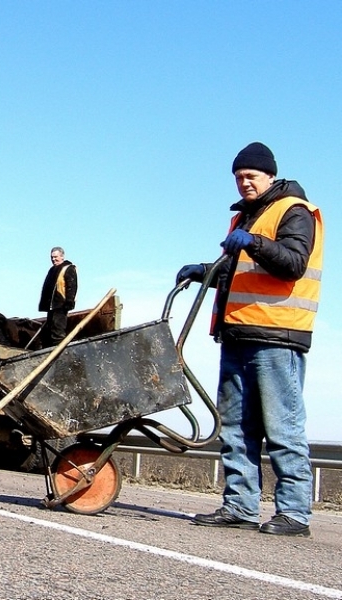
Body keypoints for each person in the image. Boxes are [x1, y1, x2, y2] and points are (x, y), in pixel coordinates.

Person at [177, 142, 322, 537]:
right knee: (236, 427)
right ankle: (239, 505)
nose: (244, 183)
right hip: (237, 333)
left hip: (276, 336)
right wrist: (204, 271)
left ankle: (294, 513)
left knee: (282, 426)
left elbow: (292, 263)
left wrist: (254, 244)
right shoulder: (245, 218)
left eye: (251, 176)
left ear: (270, 176)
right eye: (238, 177)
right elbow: (238, 270)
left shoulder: (293, 210)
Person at [37, 247, 77, 347]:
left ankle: (59, 353)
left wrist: (69, 302)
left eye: (56, 257)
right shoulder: (52, 270)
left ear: (62, 256)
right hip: (51, 306)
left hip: (61, 305)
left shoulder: (68, 268)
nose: (53, 259)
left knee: (58, 331)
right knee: (49, 330)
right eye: (52, 257)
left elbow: (72, 286)